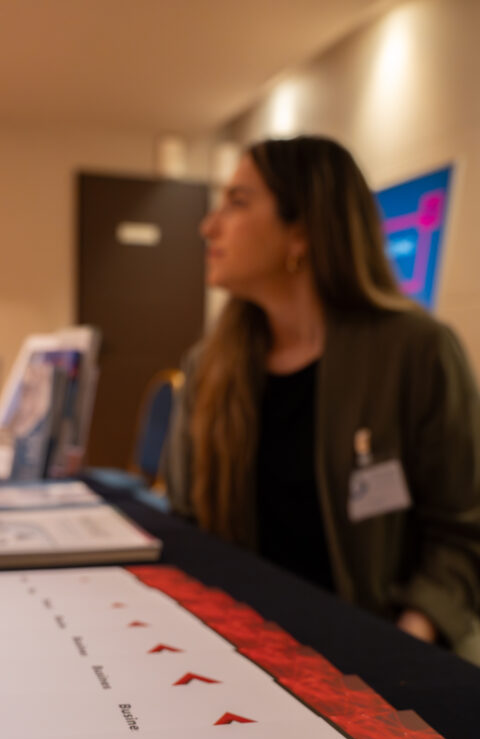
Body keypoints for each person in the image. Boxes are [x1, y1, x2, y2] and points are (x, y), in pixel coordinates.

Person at [163, 134, 480, 665]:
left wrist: (407, 641)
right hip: (242, 652)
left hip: (379, 657)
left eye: (237, 202)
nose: (209, 226)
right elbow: (187, 522)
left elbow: (462, 533)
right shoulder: (208, 366)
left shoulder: (418, 352)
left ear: (302, 232)